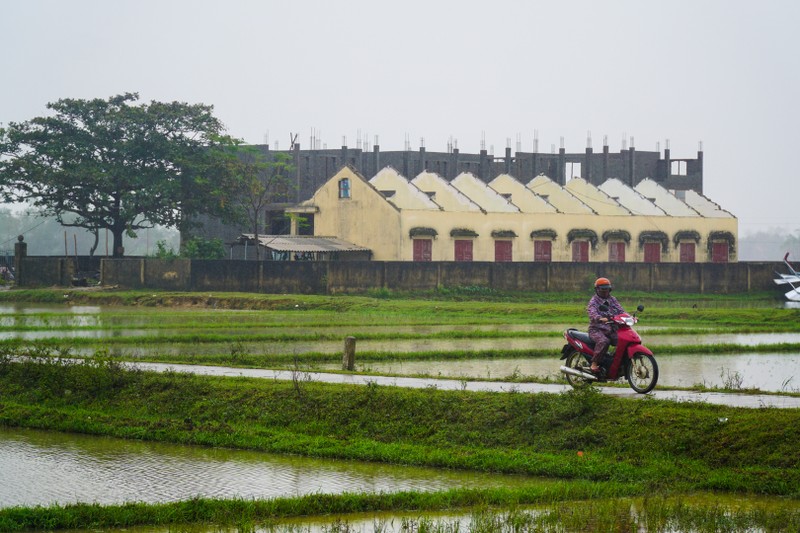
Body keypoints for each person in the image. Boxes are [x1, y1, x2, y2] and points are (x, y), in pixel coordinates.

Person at [587, 277, 625, 374]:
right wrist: (599, 318)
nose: (605, 292)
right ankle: (594, 364)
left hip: (612, 328)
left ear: (609, 289)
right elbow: (592, 313)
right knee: (604, 341)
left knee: (623, 340)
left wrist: (628, 317)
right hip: (597, 329)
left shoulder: (612, 299)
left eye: (606, 289)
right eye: (602, 289)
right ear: (597, 290)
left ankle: (615, 362)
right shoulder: (593, 301)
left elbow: (621, 310)